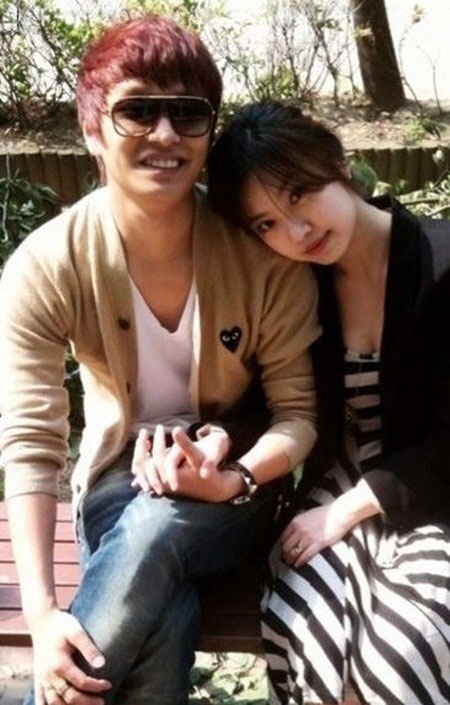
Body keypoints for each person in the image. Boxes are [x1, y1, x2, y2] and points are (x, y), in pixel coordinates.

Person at [0, 20, 321, 705]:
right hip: (116, 483)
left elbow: (298, 415)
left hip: (236, 491)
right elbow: (31, 443)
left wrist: (233, 476)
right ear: (92, 129)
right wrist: (42, 613)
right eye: (139, 110)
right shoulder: (48, 265)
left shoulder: (262, 258)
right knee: (163, 609)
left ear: (209, 131)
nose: (166, 134)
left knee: (156, 525)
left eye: (188, 114)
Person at [208, 101, 450, 705]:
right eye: (266, 223)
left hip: (436, 493)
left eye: (300, 193)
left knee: (400, 649)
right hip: (335, 481)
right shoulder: (296, 286)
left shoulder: (443, 263)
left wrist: (347, 512)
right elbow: (276, 399)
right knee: (307, 620)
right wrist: (222, 439)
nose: (296, 232)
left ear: (336, 163)